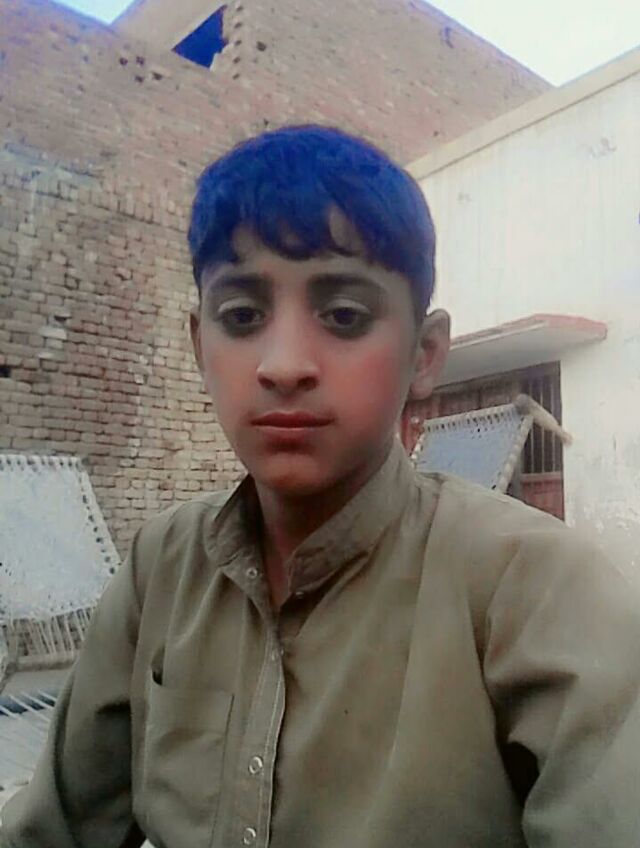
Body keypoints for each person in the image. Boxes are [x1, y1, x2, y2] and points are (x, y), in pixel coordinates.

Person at [2, 125, 639, 848]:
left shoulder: (536, 587)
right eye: (242, 317)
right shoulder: (162, 569)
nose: (283, 365)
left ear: (424, 355)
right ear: (200, 345)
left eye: (343, 317)